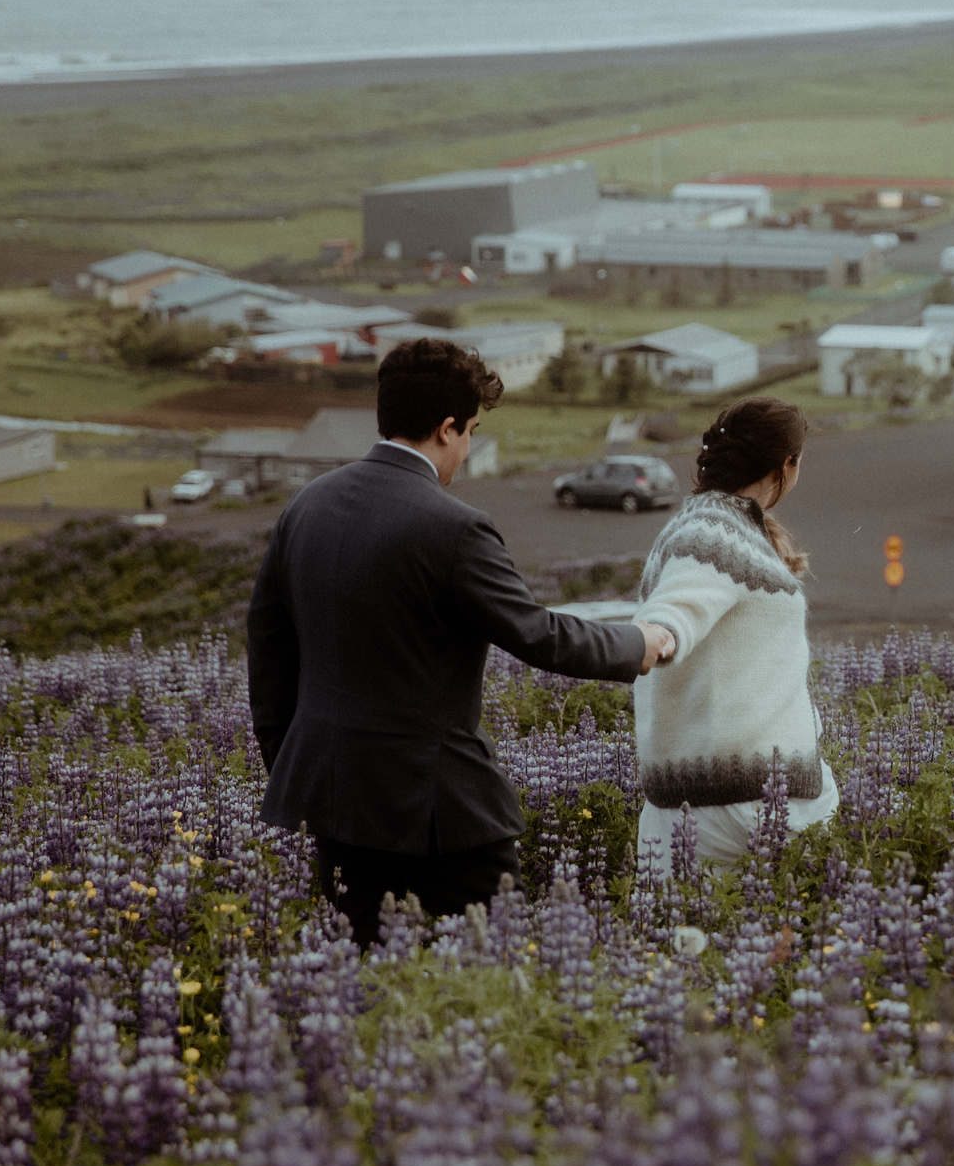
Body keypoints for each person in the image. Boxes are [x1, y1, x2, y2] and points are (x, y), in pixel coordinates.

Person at [247, 337, 677, 945]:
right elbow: (537, 634)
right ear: (447, 429)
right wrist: (639, 642)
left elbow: (268, 652)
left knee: (362, 978)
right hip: (438, 808)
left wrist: (292, 767)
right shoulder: (453, 526)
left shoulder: (305, 506)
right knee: (491, 968)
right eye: (471, 430)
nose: (468, 449)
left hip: (332, 795)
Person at [631, 395, 835, 870]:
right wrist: (656, 634)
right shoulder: (710, 532)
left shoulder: (708, 524)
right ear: (786, 465)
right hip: (746, 802)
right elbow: (676, 608)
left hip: (680, 805)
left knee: (678, 943)